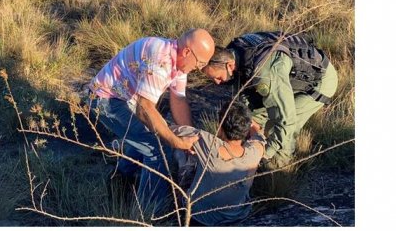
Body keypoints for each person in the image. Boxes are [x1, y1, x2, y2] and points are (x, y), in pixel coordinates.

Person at [87, 28, 215, 214]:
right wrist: (175, 141)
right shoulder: (161, 60)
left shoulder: (179, 61)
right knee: (159, 148)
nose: (201, 69)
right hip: (105, 100)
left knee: (149, 137)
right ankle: (149, 212)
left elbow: (178, 99)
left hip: (127, 99)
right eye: (200, 63)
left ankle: (121, 180)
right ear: (187, 52)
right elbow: (144, 109)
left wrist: (189, 136)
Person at [201, 31, 338, 168]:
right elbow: (244, 98)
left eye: (218, 77)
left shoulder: (266, 74)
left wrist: (265, 154)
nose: (217, 83)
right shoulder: (236, 52)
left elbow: (286, 121)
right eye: (212, 79)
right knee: (250, 119)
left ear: (229, 65)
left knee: (280, 127)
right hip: (286, 78)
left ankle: (277, 168)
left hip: (317, 82)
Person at [171, 101, 266, 226]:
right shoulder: (255, 152)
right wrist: (249, 122)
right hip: (238, 216)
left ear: (220, 126)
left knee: (180, 154)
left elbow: (170, 131)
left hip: (200, 217)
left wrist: (184, 143)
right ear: (245, 129)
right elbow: (259, 135)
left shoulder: (207, 142)